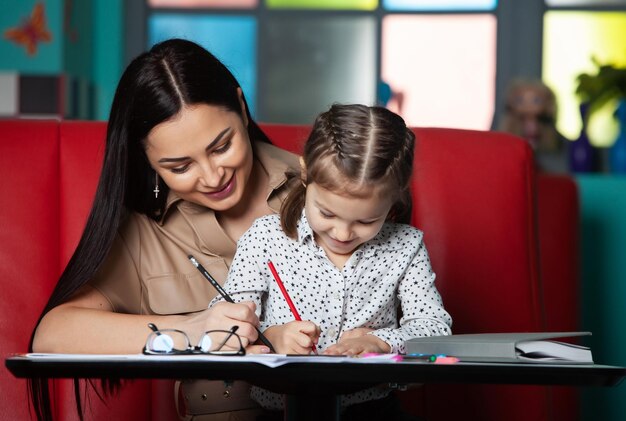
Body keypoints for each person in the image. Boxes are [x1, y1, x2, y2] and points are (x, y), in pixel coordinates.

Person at [29, 38, 300, 421]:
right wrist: (194, 331)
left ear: (241, 106)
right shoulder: (145, 229)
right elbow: (53, 334)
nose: (212, 177)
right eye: (179, 166)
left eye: (222, 147)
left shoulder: (323, 191)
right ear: (149, 161)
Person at [212, 103, 452, 420]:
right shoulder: (265, 239)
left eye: (366, 221)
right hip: (281, 411)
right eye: (327, 213)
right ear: (306, 172)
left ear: (395, 196)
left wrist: (382, 342)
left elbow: (436, 332)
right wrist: (272, 338)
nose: (342, 232)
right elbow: (226, 323)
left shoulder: (405, 247)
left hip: (374, 411)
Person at [497, 78, 570, 173]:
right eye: (520, 100)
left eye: (536, 100)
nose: (528, 105)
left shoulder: (564, 147)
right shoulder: (500, 146)